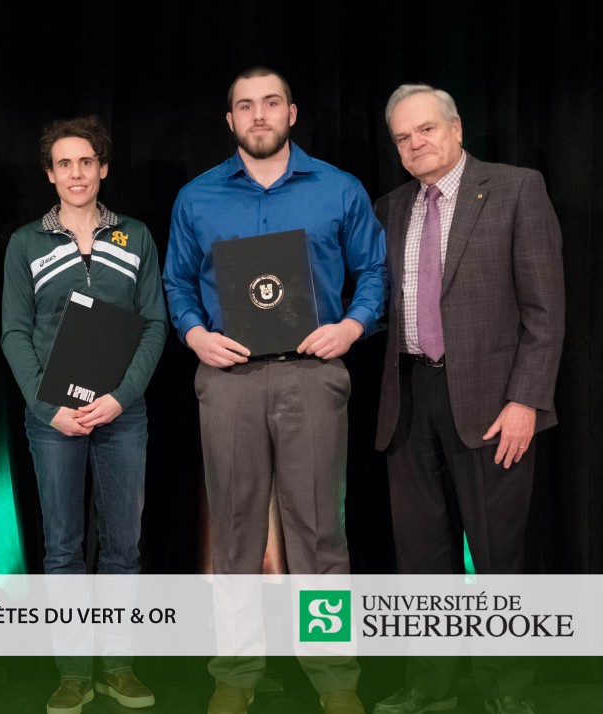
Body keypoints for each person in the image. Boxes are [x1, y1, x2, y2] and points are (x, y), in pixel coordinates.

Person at [163, 67, 387, 714]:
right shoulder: (196, 198)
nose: (258, 115)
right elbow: (178, 282)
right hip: (227, 379)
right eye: (244, 106)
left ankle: (334, 678)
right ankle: (235, 674)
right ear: (229, 121)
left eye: (269, 103)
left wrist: (352, 325)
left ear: (292, 112)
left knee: (319, 532)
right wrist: (193, 334)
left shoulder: (339, 190)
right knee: (233, 535)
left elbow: (373, 270)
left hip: (312, 377)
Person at [372, 84, 564, 714]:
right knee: (421, 557)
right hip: (407, 399)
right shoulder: (390, 207)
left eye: (426, 129)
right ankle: (432, 688)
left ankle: (509, 692)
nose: (415, 143)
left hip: (493, 405)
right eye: (403, 137)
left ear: (456, 129)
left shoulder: (515, 189)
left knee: (497, 555)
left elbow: (544, 311)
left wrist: (526, 401)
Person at [1, 116, 167, 714]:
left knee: (124, 547)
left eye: (86, 162)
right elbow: (14, 335)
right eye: (64, 164)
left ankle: (118, 667)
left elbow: (155, 324)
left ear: (103, 168)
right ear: (50, 174)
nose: (76, 173)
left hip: (124, 414)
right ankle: (72, 673)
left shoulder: (137, 236)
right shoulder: (26, 243)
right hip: (55, 421)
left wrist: (121, 398)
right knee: (64, 548)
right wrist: (49, 410)